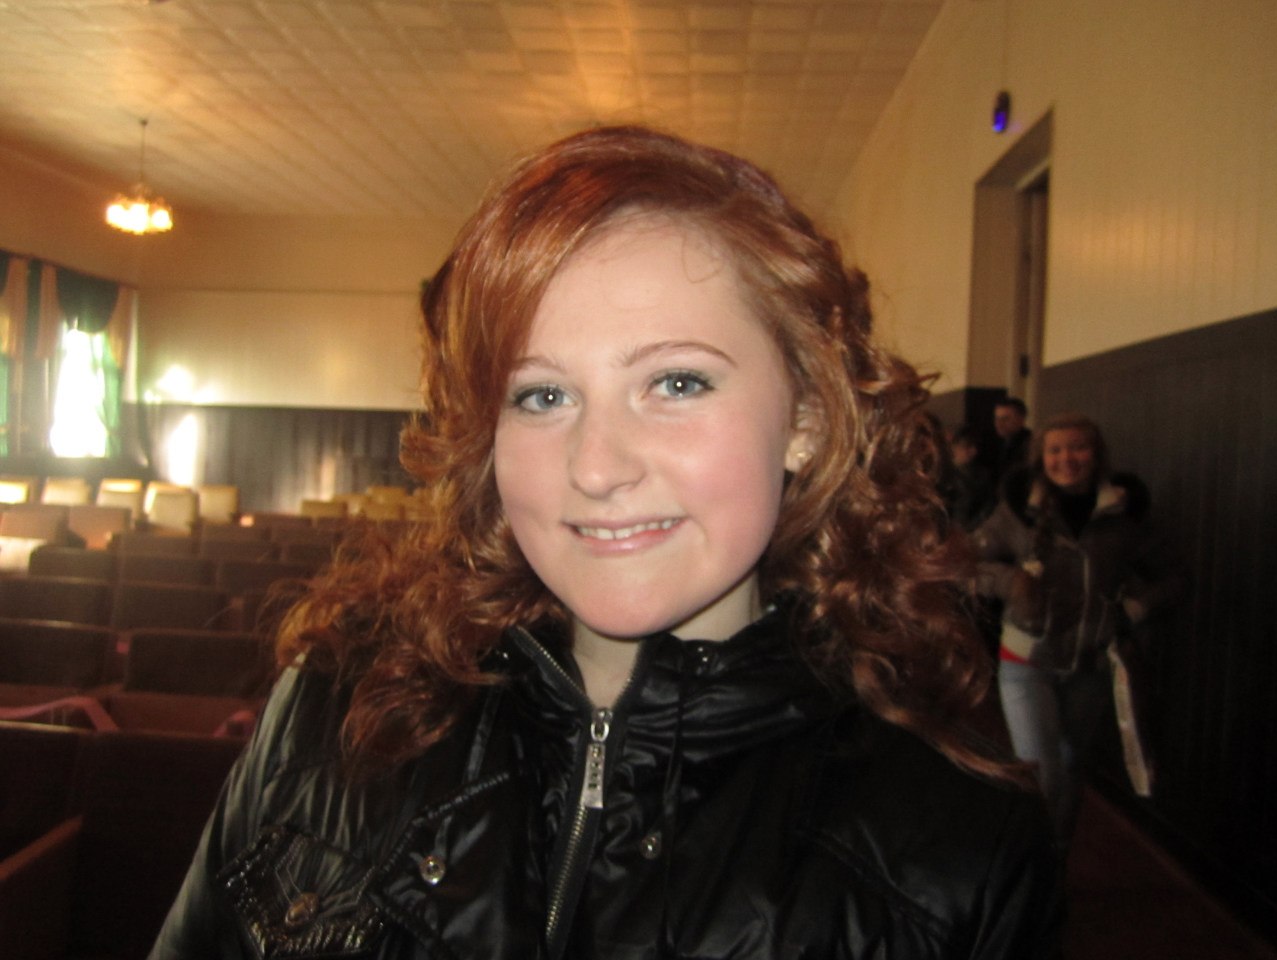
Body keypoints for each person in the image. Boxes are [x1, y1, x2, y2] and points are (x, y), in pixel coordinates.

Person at [151, 126, 1061, 959]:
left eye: (676, 382)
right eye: (542, 395)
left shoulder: (961, 848)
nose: (595, 467)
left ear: (807, 418)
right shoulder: (332, 709)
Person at [973, 413, 1181, 850]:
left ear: (1097, 454)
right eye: (1055, 450)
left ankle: (1054, 862)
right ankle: (1027, 867)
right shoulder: (1018, 510)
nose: (1066, 458)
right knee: (1039, 772)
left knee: (1070, 770)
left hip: (1090, 665)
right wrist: (1010, 582)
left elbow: (1174, 576)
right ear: (1041, 457)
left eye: (1077, 447)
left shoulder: (1122, 515)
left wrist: (1135, 608)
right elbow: (966, 563)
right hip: (1026, 661)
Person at [992, 396, 1032, 487]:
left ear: (1021, 419)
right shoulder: (993, 443)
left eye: (1005, 419)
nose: (998, 424)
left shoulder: (1031, 444)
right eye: (997, 418)